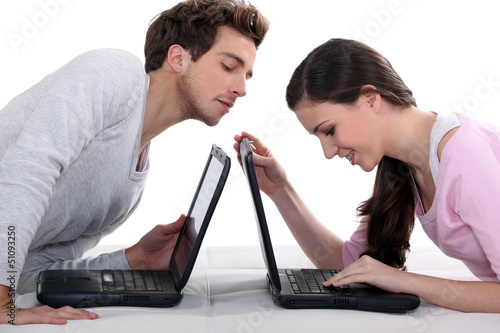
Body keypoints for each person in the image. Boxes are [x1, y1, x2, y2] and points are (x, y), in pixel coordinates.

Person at [0, 0, 269, 325]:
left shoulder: (130, 190)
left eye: (248, 76)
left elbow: (33, 275)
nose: (241, 88)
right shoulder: (114, 72)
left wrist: (133, 259)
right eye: (229, 66)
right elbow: (27, 169)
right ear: (178, 58)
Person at [234, 38, 500, 313]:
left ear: (370, 100)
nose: (327, 152)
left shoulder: (464, 155)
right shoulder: (403, 166)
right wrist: (280, 190)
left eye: (329, 130)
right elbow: (349, 266)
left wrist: (404, 281)